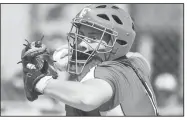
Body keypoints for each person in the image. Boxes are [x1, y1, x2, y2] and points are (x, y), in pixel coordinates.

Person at [22, 4, 158, 116]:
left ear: (117, 42)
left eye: (92, 38)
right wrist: (72, 57)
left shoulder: (106, 72)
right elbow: (135, 56)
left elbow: (87, 98)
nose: (81, 44)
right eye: (80, 35)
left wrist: (40, 82)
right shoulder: (137, 63)